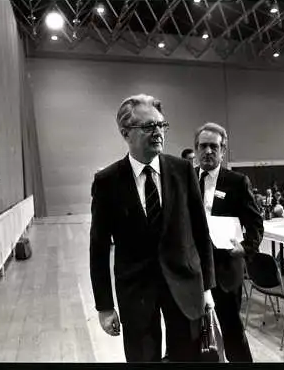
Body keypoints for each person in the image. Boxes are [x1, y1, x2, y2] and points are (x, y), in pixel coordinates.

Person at [90, 94, 216, 362]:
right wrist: (104, 306)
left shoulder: (183, 171)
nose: (158, 132)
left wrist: (207, 289)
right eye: (148, 127)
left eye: (161, 125)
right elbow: (98, 248)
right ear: (126, 133)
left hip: (185, 287)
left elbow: (201, 234)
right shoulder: (107, 182)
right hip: (137, 293)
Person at [194, 122, 264, 362]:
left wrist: (246, 248)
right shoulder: (186, 179)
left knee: (232, 329)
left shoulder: (236, 181)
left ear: (223, 151)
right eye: (203, 146)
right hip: (193, 269)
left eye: (214, 146)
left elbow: (255, 223)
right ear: (196, 149)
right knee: (196, 332)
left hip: (225, 267)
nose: (208, 151)